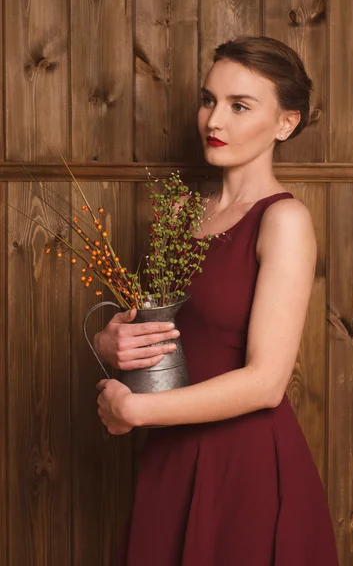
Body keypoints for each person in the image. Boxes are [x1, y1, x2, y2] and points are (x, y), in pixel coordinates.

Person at [95, 36, 339, 565]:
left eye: (239, 106)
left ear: (285, 124)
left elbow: (267, 382)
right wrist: (109, 340)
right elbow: (162, 337)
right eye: (208, 100)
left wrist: (135, 409)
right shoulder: (180, 213)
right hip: (169, 456)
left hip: (244, 465)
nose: (214, 121)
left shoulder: (284, 220)